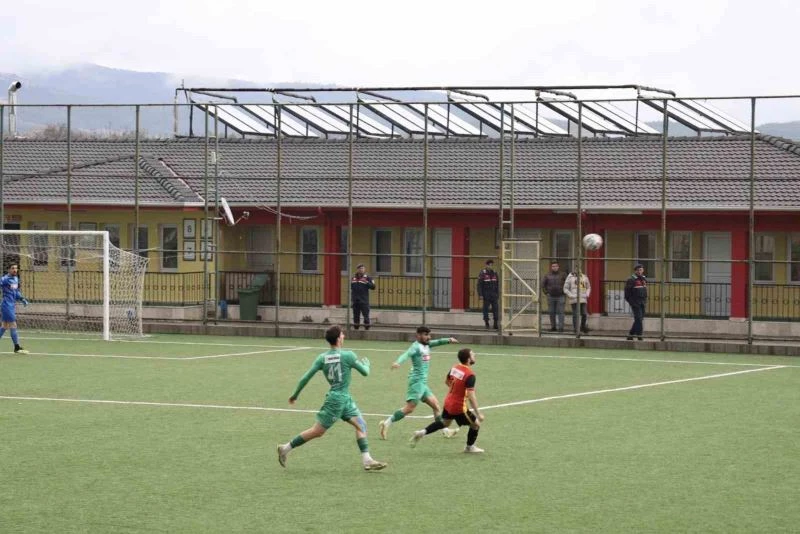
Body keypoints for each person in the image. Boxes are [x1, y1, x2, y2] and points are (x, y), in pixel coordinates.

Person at [276, 325, 387, 471]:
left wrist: (295, 395)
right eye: (342, 334)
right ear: (338, 338)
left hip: (344, 399)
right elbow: (365, 373)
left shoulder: (322, 358)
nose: (344, 336)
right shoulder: (349, 356)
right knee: (318, 431)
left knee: (362, 425)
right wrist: (367, 364)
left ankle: (367, 459)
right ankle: (285, 448)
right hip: (336, 400)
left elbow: (306, 377)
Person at [378, 326, 458, 440]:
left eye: (429, 335)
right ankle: (387, 423)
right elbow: (406, 354)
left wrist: (449, 340)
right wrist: (398, 362)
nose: (428, 337)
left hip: (422, 383)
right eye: (426, 335)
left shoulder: (427, 344)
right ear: (418, 335)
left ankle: (445, 431)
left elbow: (439, 341)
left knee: (435, 405)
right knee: (410, 408)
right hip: (416, 382)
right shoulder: (415, 347)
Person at [409, 347, 486, 453]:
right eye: (473, 354)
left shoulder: (455, 367)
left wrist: (456, 391)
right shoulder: (470, 375)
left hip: (448, 402)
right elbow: (472, 396)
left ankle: (421, 432)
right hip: (459, 407)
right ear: (468, 359)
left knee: (445, 423)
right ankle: (469, 447)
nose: (475, 355)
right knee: (476, 424)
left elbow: (447, 381)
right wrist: (478, 413)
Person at [0, 264, 29, 354]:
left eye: (16, 268)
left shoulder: (16, 279)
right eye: (13, 268)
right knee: (13, 325)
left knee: (4, 326)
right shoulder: (4, 279)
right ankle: (17, 347)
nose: (15, 270)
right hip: (6, 306)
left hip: (11, 305)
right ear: (9, 269)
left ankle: (17, 347)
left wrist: (22, 298)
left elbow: (15, 292)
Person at [624, 264, 648, 341]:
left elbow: (644, 290)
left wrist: (645, 300)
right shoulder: (631, 280)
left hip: (642, 302)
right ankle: (640, 336)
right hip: (635, 302)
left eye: (641, 270)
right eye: (638, 270)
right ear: (635, 271)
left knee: (640, 319)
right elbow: (627, 293)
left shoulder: (643, 279)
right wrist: (632, 302)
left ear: (643, 270)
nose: (639, 271)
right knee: (638, 318)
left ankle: (631, 334)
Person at [541, 261, 566, 332]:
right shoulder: (547, 275)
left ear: (558, 267)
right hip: (550, 296)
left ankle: (561, 328)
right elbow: (543, 285)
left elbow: (567, 284)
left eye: (556, 266)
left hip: (561, 296)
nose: (554, 267)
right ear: (551, 267)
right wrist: (546, 293)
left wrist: (565, 292)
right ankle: (553, 327)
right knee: (551, 312)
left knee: (561, 312)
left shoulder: (563, 275)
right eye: (553, 266)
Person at [563, 269, 591, 334]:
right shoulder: (570, 277)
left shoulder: (584, 277)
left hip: (583, 298)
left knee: (584, 314)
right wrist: (571, 295)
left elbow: (588, 287)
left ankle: (582, 327)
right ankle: (576, 329)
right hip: (574, 299)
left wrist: (587, 294)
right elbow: (565, 288)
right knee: (575, 314)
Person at [350, 263, 375, 330]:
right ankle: (356, 329)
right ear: (357, 269)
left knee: (366, 316)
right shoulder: (353, 278)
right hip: (355, 300)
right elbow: (352, 288)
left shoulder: (368, 277)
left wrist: (366, 282)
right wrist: (352, 300)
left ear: (364, 269)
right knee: (356, 316)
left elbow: (373, 287)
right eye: (360, 268)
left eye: (362, 268)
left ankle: (367, 329)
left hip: (364, 300)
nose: (361, 270)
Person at [477, 259, 499, 329]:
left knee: (496, 309)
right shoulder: (482, 273)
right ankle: (486, 323)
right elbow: (479, 285)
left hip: (494, 295)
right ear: (486, 265)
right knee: (485, 309)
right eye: (489, 265)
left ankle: (495, 323)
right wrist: (480, 294)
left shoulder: (495, 273)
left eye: (492, 265)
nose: (491, 266)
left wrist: (497, 293)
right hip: (486, 294)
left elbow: (497, 284)